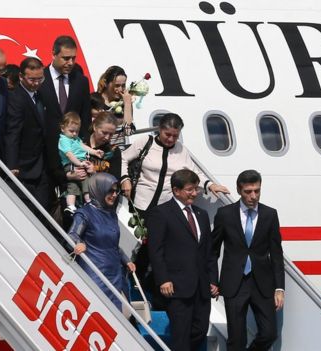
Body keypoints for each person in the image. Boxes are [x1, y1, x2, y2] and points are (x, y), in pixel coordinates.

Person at [120, 112, 229, 290]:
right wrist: (124, 178)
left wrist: (210, 185)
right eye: (167, 134)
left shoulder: (181, 150)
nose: (171, 139)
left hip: (165, 207)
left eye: (175, 136)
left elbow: (194, 173)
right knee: (137, 243)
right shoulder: (145, 142)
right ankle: (131, 281)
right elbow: (124, 158)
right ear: (160, 130)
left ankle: (149, 285)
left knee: (157, 245)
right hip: (141, 203)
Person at [211, 169, 285, 351]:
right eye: (248, 191)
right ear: (239, 190)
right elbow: (212, 251)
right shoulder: (225, 214)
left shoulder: (270, 214)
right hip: (234, 283)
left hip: (263, 283)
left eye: (257, 191)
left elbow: (276, 253)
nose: (253, 196)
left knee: (269, 333)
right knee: (236, 340)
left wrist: (279, 287)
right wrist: (212, 280)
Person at [147, 169, 219, 350]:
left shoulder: (201, 215)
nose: (194, 193)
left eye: (196, 189)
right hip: (177, 287)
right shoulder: (161, 213)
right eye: (190, 190)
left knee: (200, 330)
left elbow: (208, 251)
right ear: (176, 190)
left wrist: (213, 280)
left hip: (202, 287)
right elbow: (156, 250)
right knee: (181, 335)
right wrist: (163, 279)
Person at [2, 57, 86, 211]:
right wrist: (12, 165)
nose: (36, 83)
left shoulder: (40, 94)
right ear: (21, 77)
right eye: (31, 79)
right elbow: (12, 133)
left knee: (45, 208)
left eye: (40, 79)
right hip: (24, 166)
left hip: (44, 165)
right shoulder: (16, 98)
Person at [69, 172, 136, 311]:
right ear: (99, 189)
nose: (114, 194)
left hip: (115, 272)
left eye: (116, 191)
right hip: (95, 272)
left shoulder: (111, 213)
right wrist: (78, 243)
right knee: (96, 311)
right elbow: (72, 234)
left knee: (115, 314)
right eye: (109, 190)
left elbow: (113, 245)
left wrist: (126, 260)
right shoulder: (84, 213)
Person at [38, 35, 91, 139]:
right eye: (66, 58)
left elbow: (85, 118)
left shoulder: (81, 81)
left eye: (73, 58)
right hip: (45, 148)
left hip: (73, 148)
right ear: (54, 54)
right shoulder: (39, 80)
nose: (71, 63)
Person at [58, 112, 103, 214]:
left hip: (77, 163)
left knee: (73, 185)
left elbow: (83, 146)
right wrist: (79, 164)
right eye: (71, 131)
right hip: (72, 163)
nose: (74, 134)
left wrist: (95, 152)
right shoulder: (64, 140)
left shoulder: (75, 139)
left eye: (77, 131)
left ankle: (71, 206)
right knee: (85, 179)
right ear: (62, 128)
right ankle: (88, 201)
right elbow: (69, 154)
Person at [96, 65, 135, 149]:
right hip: (99, 152)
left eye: (123, 85)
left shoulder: (125, 102)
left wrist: (127, 104)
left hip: (119, 152)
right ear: (106, 83)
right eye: (116, 85)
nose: (120, 89)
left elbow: (128, 131)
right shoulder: (96, 101)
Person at [84, 112, 121, 178]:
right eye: (104, 133)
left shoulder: (113, 151)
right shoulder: (80, 142)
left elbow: (114, 181)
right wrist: (69, 176)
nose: (107, 137)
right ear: (95, 127)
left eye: (111, 134)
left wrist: (94, 173)